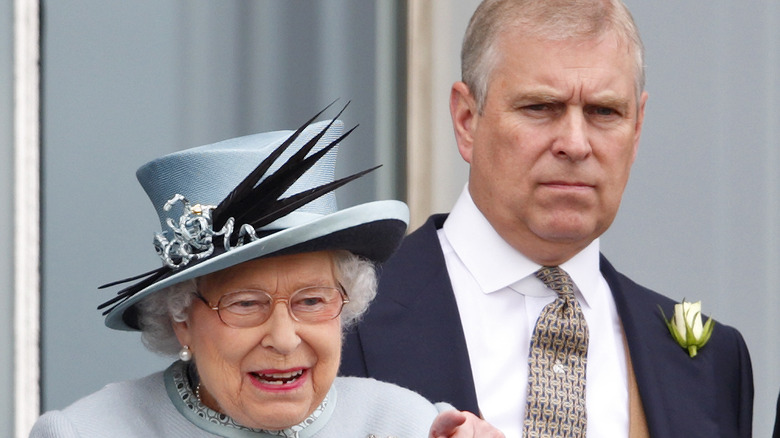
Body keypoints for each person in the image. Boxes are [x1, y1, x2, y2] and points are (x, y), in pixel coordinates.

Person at [340, 1, 753, 437]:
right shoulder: (335, 321)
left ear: (637, 130)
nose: (575, 144)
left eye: (604, 111)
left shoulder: (713, 365)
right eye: (540, 107)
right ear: (466, 120)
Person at [30, 108, 504, 438]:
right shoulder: (85, 432)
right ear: (181, 319)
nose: (283, 338)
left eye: (313, 300)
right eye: (245, 304)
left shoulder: (408, 424)